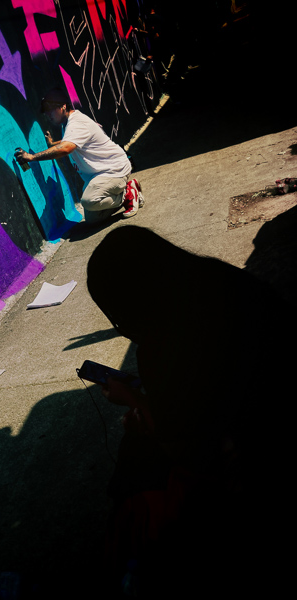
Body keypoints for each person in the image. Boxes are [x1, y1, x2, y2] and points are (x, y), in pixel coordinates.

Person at [86, 225, 295, 598]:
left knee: (134, 458)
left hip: (262, 458)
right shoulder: (219, 279)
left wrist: (135, 402)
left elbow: (188, 447)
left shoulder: (160, 349)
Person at [14, 88, 144, 223]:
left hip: (113, 170)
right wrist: (53, 143)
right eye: (46, 111)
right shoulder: (69, 123)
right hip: (100, 174)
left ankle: (128, 193)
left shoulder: (76, 123)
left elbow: (66, 148)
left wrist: (32, 157)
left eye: (50, 109)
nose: (47, 114)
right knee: (93, 218)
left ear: (63, 106)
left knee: (89, 201)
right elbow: (71, 141)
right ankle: (122, 195)